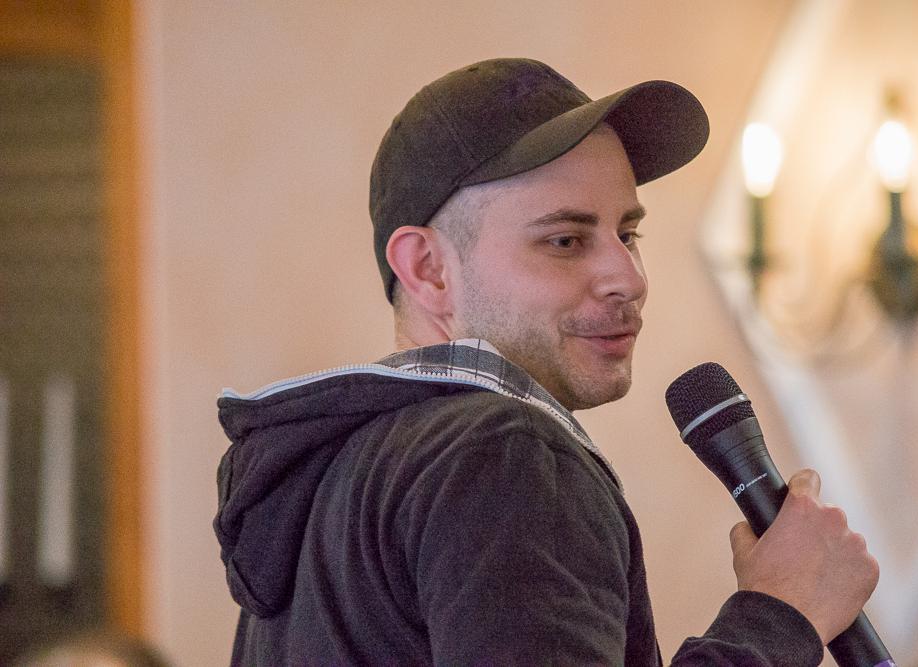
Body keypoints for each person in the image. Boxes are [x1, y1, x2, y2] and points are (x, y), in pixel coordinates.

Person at [213, 58, 879, 665]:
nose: (629, 277)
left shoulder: (328, 481)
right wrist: (779, 616)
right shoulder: (503, 452)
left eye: (628, 233)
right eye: (565, 240)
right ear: (428, 268)